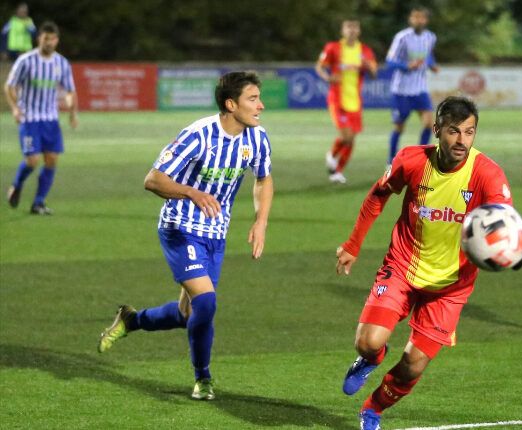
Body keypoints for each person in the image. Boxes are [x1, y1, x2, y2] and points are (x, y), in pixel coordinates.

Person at [336, 96, 513, 429]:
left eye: (469, 132)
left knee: (414, 365)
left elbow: (504, 220)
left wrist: (505, 247)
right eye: (453, 131)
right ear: (436, 130)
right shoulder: (412, 161)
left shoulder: (487, 174)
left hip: (451, 286)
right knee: (367, 341)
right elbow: (378, 195)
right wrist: (353, 244)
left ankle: (372, 409)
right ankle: (371, 358)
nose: (461, 140)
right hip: (403, 265)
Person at [97, 71, 274, 401]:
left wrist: (261, 221)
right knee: (206, 303)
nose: (261, 105)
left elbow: (263, 179)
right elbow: (152, 180)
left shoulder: (257, 138)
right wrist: (191, 193)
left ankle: (131, 321)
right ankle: (203, 378)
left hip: (215, 236)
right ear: (231, 104)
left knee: (187, 315)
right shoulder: (198, 135)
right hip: (179, 229)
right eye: (253, 99)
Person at [5, 21, 77, 215]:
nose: (49, 42)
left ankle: (38, 203)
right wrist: (15, 108)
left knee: (52, 159)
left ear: (57, 40)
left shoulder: (61, 63)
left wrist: (71, 110)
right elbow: (9, 86)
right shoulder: (25, 61)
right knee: (32, 161)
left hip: (50, 119)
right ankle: (16, 185)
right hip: (29, 118)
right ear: (39, 39)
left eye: (52, 39)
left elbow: (70, 90)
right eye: (45, 39)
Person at [315, 19, 377, 184]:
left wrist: (368, 66)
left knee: (351, 139)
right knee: (346, 136)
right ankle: (332, 155)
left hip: (355, 101)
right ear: (343, 30)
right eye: (348, 27)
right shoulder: (333, 48)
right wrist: (328, 77)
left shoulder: (364, 51)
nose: (352, 30)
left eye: (355, 27)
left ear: (359, 30)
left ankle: (337, 171)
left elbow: (374, 73)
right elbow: (319, 66)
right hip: (337, 99)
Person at [385, 6, 438, 167]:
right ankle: (391, 161)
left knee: (430, 124)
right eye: (415, 17)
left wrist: (432, 65)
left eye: (421, 17)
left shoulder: (430, 37)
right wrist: (407, 66)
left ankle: (421, 159)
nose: (418, 20)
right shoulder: (402, 37)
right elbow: (390, 62)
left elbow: (428, 55)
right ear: (410, 19)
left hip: (420, 89)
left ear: (426, 20)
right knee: (399, 127)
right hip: (401, 91)